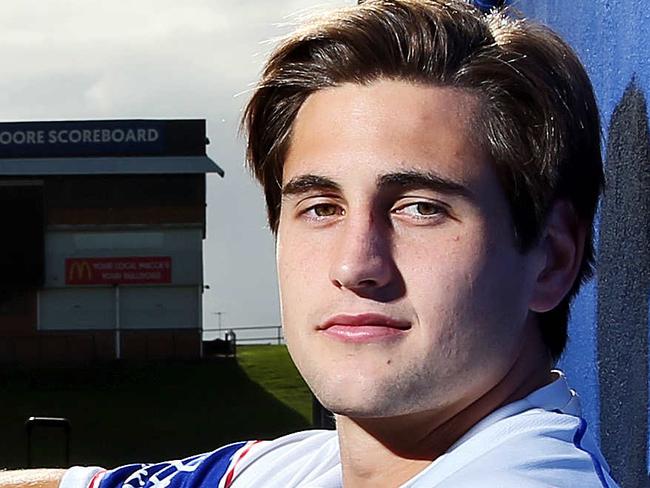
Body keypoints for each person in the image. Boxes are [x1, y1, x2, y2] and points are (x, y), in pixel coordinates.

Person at [1, 0, 619, 486]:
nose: (356, 265)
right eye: (321, 207)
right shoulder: (302, 467)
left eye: (421, 209)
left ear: (552, 259)